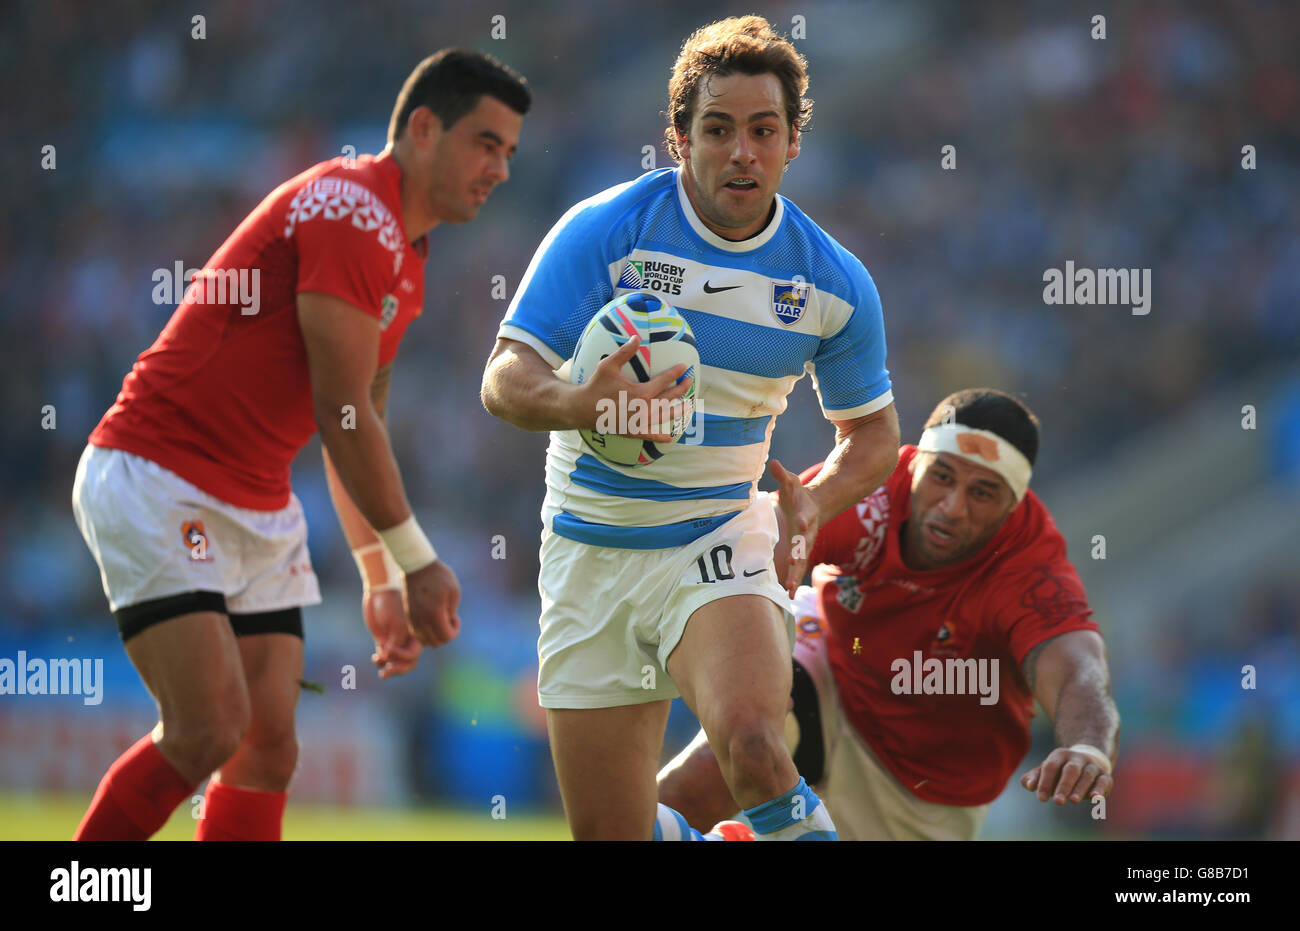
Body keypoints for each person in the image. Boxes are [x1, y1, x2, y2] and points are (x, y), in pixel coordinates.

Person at [70, 49, 530, 841]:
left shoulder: (408, 257)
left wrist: (379, 573)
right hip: (158, 474)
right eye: (485, 143)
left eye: (511, 153)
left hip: (256, 500)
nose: (500, 169)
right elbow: (342, 409)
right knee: (208, 729)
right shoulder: (352, 210)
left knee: (269, 749)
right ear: (423, 128)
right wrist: (417, 560)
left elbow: (358, 427)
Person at [481, 16, 900, 841]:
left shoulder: (833, 283)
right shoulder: (605, 231)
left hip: (718, 537)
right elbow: (503, 377)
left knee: (750, 741)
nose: (742, 150)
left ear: (790, 144)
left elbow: (874, 437)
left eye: (763, 130)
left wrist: (814, 500)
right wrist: (580, 403)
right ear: (679, 138)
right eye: (718, 129)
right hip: (589, 547)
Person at [657, 388, 1121, 840]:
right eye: (942, 476)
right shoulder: (872, 486)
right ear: (917, 461)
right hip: (831, 667)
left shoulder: (1027, 567)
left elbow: (1079, 668)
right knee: (705, 777)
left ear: (1012, 505)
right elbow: (757, 549)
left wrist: (1087, 747)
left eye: (982, 493)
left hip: (919, 790)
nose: (952, 507)